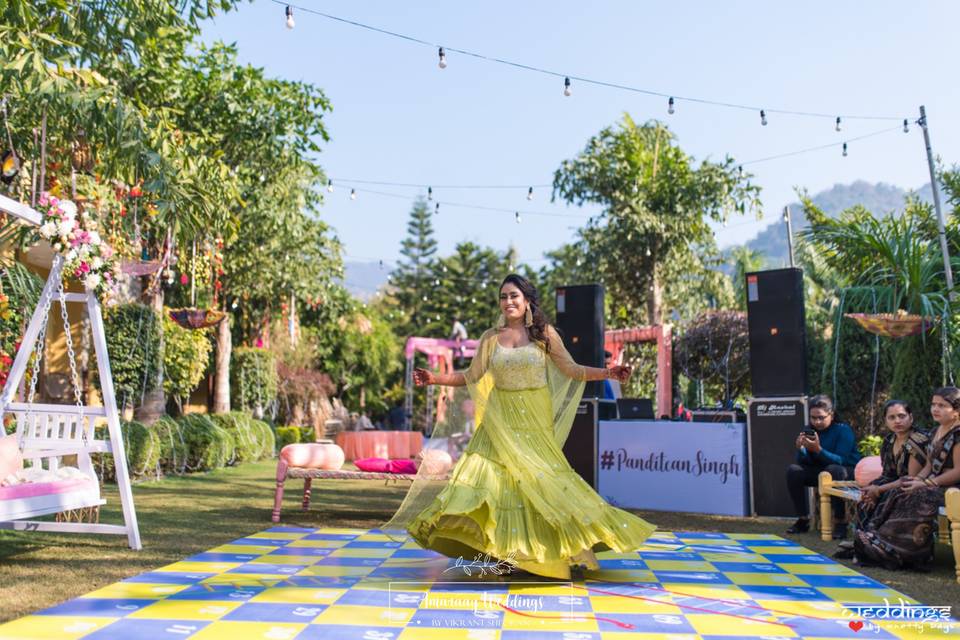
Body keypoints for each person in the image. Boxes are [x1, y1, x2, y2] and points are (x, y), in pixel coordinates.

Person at [399, 274, 656, 580]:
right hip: (498, 420)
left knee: (540, 483)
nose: (508, 301)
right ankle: (508, 555)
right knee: (492, 483)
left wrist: (608, 372)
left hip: (533, 422)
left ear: (527, 301)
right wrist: (435, 378)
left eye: (514, 296)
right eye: (503, 296)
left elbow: (571, 370)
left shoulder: (544, 335)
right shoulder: (490, 338)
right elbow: (471, 375)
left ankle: (547, 553)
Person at [853, 387, 960, 569]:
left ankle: (902, 552)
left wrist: (926, 483)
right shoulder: (936, 431)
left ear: (957, 411)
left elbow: (958, 471)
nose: (935, 409)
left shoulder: (957, 433)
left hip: (953, 487)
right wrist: (918, 480)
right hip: (937, 484)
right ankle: (878, 540)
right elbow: (929, 465)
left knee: (917, 494)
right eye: (933, 404)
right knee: (905, 488)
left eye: (942, 405)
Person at [834, 400, 928, 559]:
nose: (897, 421)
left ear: (911, 418)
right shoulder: (889, 441)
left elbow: (910, 479)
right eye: (891, 417)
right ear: (886, 421)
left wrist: (879, 489)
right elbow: (887, 474)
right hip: (896, 483)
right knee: (866, 493)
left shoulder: (917, 440)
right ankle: (862, 538)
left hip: (916, 485)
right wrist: (873, 489)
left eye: (901, 416)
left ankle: (877, 542)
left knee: (887, 494)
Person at [785, 395, 861, 538]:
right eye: (813, 418)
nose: (817, 422)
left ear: (831, 415)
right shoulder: (809, 430)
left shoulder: (843, 430)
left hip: (845, 470)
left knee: (833, 470)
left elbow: (840, 460)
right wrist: (801, 449)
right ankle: (803, 519)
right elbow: (803, 462)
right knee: (794, 471)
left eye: (821, 417)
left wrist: (818, 450)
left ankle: (840, 522)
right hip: (820, 471)